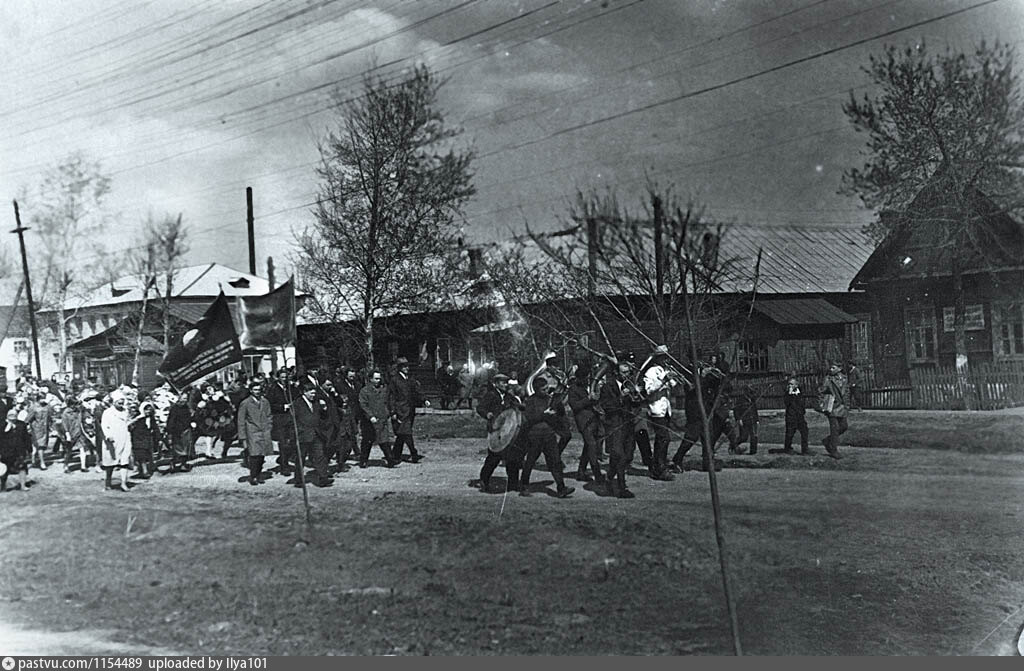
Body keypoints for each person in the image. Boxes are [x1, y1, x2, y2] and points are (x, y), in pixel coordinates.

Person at [519, 376, 574, 499]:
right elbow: (530, 419)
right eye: (543, 389)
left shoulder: (550, 399)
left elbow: (559, 414)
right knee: (530, 462)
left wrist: (558, 408)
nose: (546, 391)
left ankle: (561, 488)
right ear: (536, 390)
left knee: (556, 462)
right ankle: (524, 486)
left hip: (549, 435)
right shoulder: (530, 401)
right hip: (535, 436)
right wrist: (544, 414)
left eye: (547, 388)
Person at [476, 373, 524, 492]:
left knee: (512, 457)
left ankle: (513, 483)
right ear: (496, 384)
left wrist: (521, 406)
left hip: (508, 429)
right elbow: (480, 408)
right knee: (494, 457)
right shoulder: (490, 395)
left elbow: (516, 406)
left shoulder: (509, 396)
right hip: (495, 429)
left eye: (506, 382)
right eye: (502, 382)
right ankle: (484, 480)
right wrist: (487, 414)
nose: (505, 384)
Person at [600, 359, 640, 498]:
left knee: (627, 455)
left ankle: (609, 478)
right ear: (616, 372)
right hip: (615, 425)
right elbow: (607, 406)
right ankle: (622, 488)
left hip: (628, 425)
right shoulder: (607, 387)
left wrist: (638, 395)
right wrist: (621, 398)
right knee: (620, 455)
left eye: (628, 372)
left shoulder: (629, 384)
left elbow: (636, 404)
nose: (626, 375)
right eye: (624, 372)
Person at [642, 345, 677, 481]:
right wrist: (663, 380)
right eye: (664, 357)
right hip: (656, 409)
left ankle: (658, 466)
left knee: (662, 439)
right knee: (664, 438)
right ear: (658, 358)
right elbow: (648, 390)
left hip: (665, 410)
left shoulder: (664, 370)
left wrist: (670, 377)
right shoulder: (651, 372)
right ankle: (660, 468)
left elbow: (674, 384)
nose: (666, 360)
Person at [292, 379, 333, 487]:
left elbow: (322, 417)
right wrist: (298, 432)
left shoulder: (316, 402)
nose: (313, 395)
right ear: (305, 392)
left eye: (314, 393)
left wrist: (324, 409)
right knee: (301, 458)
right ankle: (299, 480)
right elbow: (293, 420)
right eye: (311, 393)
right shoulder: (297, 403)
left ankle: (323, 478)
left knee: (320, 456)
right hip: (303, 435)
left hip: (316, 434)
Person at [567, 365, 604, 484]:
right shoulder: (573, 389)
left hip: (594, 419)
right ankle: (597, 474)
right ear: (579, 378)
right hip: (583, 421)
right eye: (585, 378)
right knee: (592, 446)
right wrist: (588, 398)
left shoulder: (589, 387)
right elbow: (575, 406)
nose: (587, 380)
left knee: (589, 446)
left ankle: (581, 472)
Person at [390, 357, 429, 463]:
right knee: (406, 431)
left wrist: (424, 399)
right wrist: (393, 411)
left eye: (407, 366)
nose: (407, 368)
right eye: (404, 366)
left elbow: (417, 391)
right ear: (399, 368)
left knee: (402, 432)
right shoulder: (394, 380)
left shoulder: (410, 379)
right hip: (400, 410)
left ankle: (395, 454)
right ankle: (414, 453)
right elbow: (392, 396)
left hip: (410, 409)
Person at [358, 369, 398, 468]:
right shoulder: (365, 391)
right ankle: (363, 460)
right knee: (367, 441)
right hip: (369, 421)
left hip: (382, 418)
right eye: (376, 379)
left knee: (384, 439)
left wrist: (390, 412)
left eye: (379, 379)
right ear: (370, 379)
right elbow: (363, 405)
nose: (378, 381)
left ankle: (390, 459)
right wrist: (370, 416)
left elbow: (389, 401)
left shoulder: (384, 389)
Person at [237, 379, 274, 486]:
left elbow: (269, 415)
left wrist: (269, 426)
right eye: (255, 390)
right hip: (252, 432)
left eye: (259, 390)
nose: (257, 392)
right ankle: (253, 476)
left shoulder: (265, 401)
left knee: (262, 455)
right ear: (251, 391)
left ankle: (258, 475)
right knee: (254, 456)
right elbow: (241, 420)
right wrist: (242, 436)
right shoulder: (245, 403)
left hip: (264, 431)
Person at [266, 369, 297, 475]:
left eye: (286, 377)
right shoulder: (273, 388)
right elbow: (269, 404)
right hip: (279, 418)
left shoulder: (291, 388)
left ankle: (282, 459)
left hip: (291, 418)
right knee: (283, 443)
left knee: (293, 441)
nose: (285, 379)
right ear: (278, 378)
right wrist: (282, 407)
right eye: (283, 377)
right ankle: (284, 466)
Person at [100, 391, 132, 492]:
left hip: (125, 438)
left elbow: (127, 423)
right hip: (112, 440)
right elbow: (104, 425)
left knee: (124, 461)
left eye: (122, 402)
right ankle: (108, 482)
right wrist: (108, 435)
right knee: (110, 462)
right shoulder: (108, 412)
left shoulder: (125, 411)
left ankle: (123, 483)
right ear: (114, 402)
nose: (121, 404)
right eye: (119, 402)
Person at [770, 375, 809, 455]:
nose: (790, 386)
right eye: (789, 384)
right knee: (790, 433)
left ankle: (805, 450)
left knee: (805, 432)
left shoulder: (800, 392)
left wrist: (802, 411)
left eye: (792, 384)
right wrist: (790, 394)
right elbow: (787, 403)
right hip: (791, 417)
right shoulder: (787, 394)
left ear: (796, 385)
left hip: (800, 417)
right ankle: (787, 448)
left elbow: (802, 403)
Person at [818, 363, 849, 459]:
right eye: (830, 367)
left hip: (842, 407)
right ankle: (833, 450)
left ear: (840, 368)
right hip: (832, 407)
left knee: (844, 427)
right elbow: (821, 392)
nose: (831, 369)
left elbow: (847, 392)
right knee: (834, 429)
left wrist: (848, 405)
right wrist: (822, 405)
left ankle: (828, 441)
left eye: (833, 367)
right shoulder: (828, 379)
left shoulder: (844, 378)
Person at [0, 409, 31, 492]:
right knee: (4, 470)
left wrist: (29, 449)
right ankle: (3, 486)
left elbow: (26, 437)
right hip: (6, 451)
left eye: (14, 415)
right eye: (10, 415)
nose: (12, 417)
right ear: (7, 416)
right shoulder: (2, 424)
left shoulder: (21, 424)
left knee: (22, 467)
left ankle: (23, 485)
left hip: (19, 450)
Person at [164, 394, 195, 473]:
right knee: (178, 449)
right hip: (177, 431)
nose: (185, 400)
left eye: (186, 398)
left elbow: (190, 417)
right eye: (183, 398)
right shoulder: (174, 408)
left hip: (186, 430)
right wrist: (170, 431)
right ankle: (173, 462)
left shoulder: (187, 408)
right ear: (179, 398)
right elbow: (171, 420)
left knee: (186, 448)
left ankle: (183, 465)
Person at [129, 402, 160, 480]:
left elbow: (155, 428)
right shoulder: (138, 417)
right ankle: (144, 471)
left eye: (149, 410)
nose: (148, 412)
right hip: (138, 439)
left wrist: (158, 438)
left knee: (145, 455)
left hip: (147, 439)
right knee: (140, 456)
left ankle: (144, 471)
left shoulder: (151, 418)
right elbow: (131, 426)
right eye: (146, 410)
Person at [61, 396, 90, 473]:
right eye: (74, 404)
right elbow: (64, 424)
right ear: (70, 405)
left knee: (82, 449)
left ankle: (83, 466)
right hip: (70, 433)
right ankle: (66, 466)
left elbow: (85, 413)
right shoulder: (66, 413)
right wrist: (67, 434)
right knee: (68, 451)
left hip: (79, 433)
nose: (76, 406)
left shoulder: (79, 411)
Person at [25, 393, 52, 471]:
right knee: (41, 446)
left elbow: (49, 416)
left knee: (39, 445)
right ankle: (42, 463)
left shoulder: (47, 406)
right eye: (42, 398)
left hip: (45, 429)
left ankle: (33, 458)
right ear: (38, 399)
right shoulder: (33, 408)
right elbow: (28, 419)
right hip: (37, 429)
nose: (44, 400)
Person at [731, 382, 760, 455]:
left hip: (752, 420)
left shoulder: (752, 400)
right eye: (750, 391)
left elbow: (754, 410)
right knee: (743, 437)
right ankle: (733, 445)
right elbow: (736, 410)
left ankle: (753, 452)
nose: (751, 393)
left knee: (754, 436)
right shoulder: (741, 400)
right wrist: (738, 419)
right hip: (744, 421)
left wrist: (757, 420)